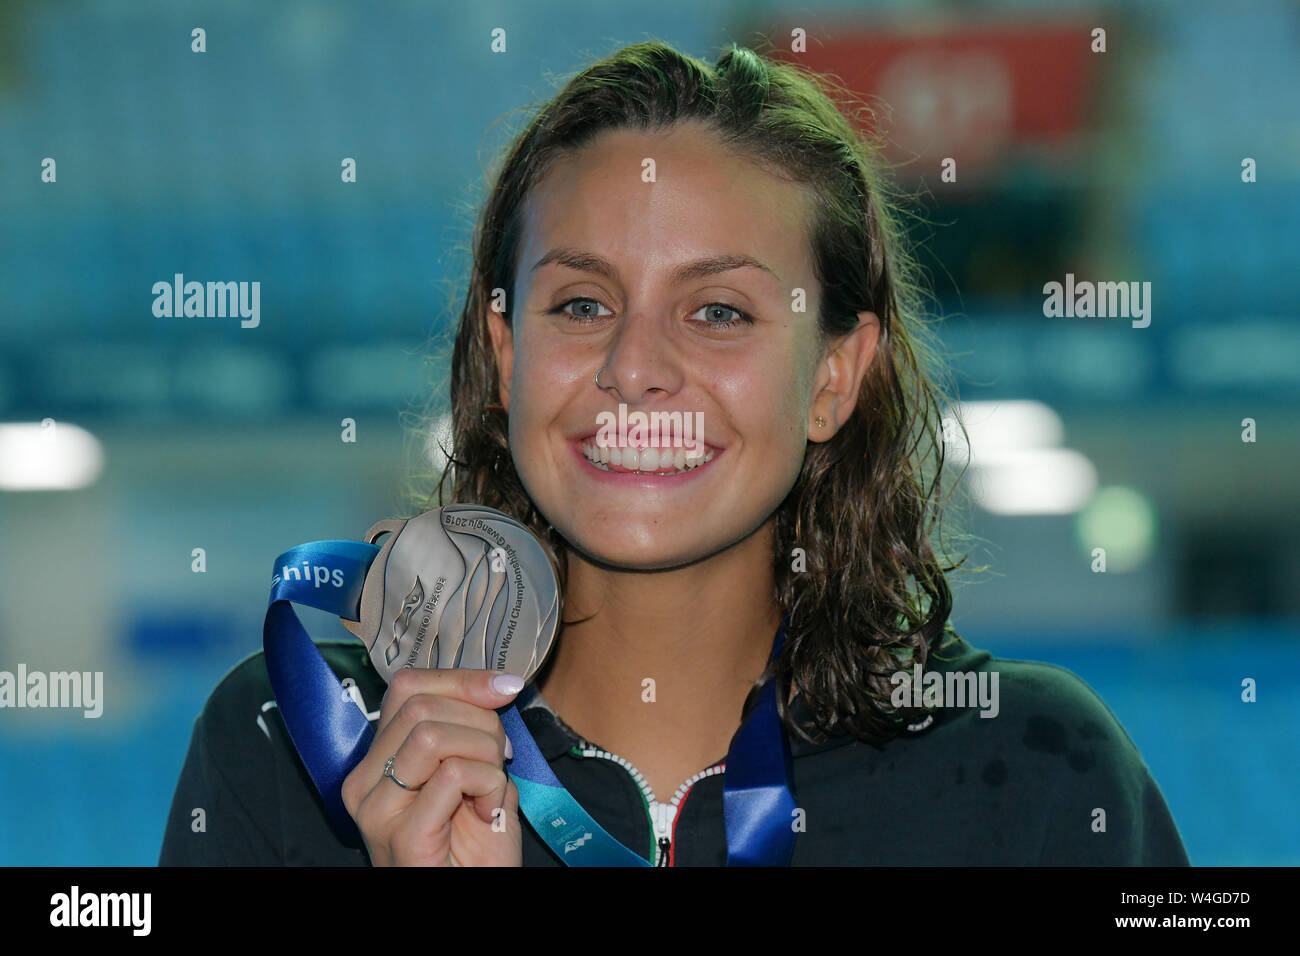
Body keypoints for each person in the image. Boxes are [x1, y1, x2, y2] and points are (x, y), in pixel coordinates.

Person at [159, 40, 1189, 867]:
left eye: (717, 309)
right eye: (582, 302)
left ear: (834, 374)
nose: (634, 366)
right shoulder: (293, 743)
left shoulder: (1034, 771)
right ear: (505, 349)